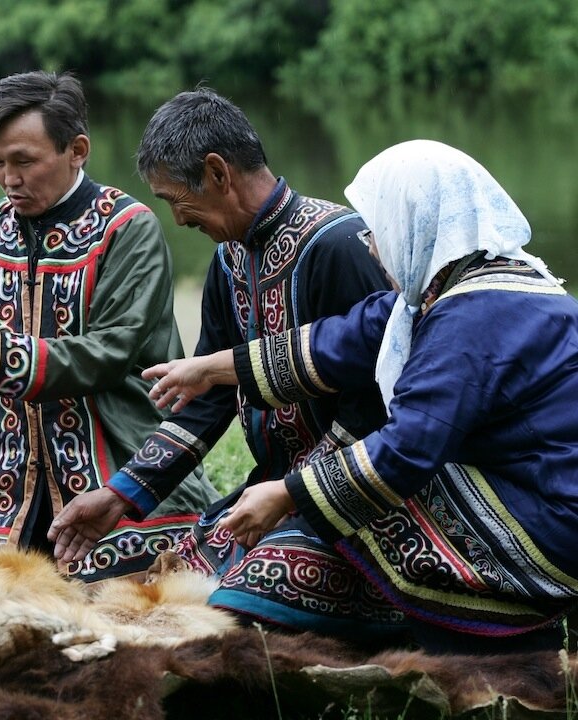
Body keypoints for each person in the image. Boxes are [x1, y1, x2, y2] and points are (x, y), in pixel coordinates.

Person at [141, 139, 578, 652]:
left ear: (416, 223)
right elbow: (345, 336)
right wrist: (211, 369)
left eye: (378, 227)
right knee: (347, 491)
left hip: (551, 522)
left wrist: (289, 492)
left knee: (373, 496)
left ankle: (475, 636)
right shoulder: (458, 290)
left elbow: (409, 446)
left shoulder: (473, 313)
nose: (371, 244)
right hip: (527, 489)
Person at [49, 88, 403, 641]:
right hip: (269, 491)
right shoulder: (228, 258)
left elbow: (378, 411)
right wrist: (121, 494)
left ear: (217, 173)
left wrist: (293, 493)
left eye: (174, 199)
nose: (177, 217)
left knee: (237, 599)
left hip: (354, 503)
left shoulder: (340, 246)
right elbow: (208, 395)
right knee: (135, 586)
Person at [0, 71, 218, 582]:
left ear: (77, 150)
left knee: (128, 605)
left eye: (24, 161)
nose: (10, 178)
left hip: (117, 479)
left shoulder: (128, 228)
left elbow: (111, 353)